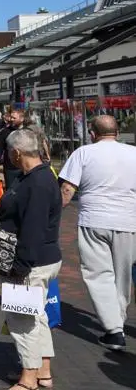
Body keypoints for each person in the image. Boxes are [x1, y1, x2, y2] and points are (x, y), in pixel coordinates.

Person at [58, 115, 136, 351]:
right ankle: (117, 321)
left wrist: (50, 216)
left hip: (94, 219)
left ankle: (114, 329)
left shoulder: (83, 153)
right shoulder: (133, 153)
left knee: (98, 273)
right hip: (128, 221)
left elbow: (67, 189)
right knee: (123, 274)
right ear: (118, 131)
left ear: (92, 133)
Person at [0, 129, 62, 390]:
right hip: (42, 258)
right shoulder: (40, 176)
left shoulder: (36, 182)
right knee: (38, 316)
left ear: (16, 153)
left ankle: (28, 380)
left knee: (22, 321)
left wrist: (20, 266)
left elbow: (32, 228)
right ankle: (42, 371)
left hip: (30, 262)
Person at [0, 110, 25, 190]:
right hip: (10, 168)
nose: (11, 119)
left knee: (24, 191)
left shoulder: (27, 132)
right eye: (11, 117)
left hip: (25, 167)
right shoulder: (5, 132)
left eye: (14, 118)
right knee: (11, 191)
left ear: (22, 119)